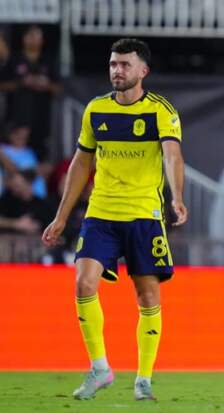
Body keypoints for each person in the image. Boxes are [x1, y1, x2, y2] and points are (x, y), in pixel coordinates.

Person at [41, 38, 187, 401]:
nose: (117, 71)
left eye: (124, 64)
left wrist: (177, 197)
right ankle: (100, 368)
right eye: (113, 64)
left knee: (147, 294)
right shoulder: (96, 109)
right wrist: (61, 216)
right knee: (83, 283)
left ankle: (143, 379)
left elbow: (172, 156)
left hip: (143, 214)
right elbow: (81, 164)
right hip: (101, 213)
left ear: (143, 71)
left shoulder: (160, 111)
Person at [0, 25, 62, 161]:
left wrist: (45, 85)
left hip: (41, 117)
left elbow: (58, 87)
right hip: (16, 116)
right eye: (30, 36)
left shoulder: (48, 60)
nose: (33, 40)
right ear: (24, 39)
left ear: (42, 40)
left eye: (36, 36)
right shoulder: (14, 59)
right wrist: (22, 83)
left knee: (40, 154)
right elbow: (2, 84)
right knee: (14, 154)